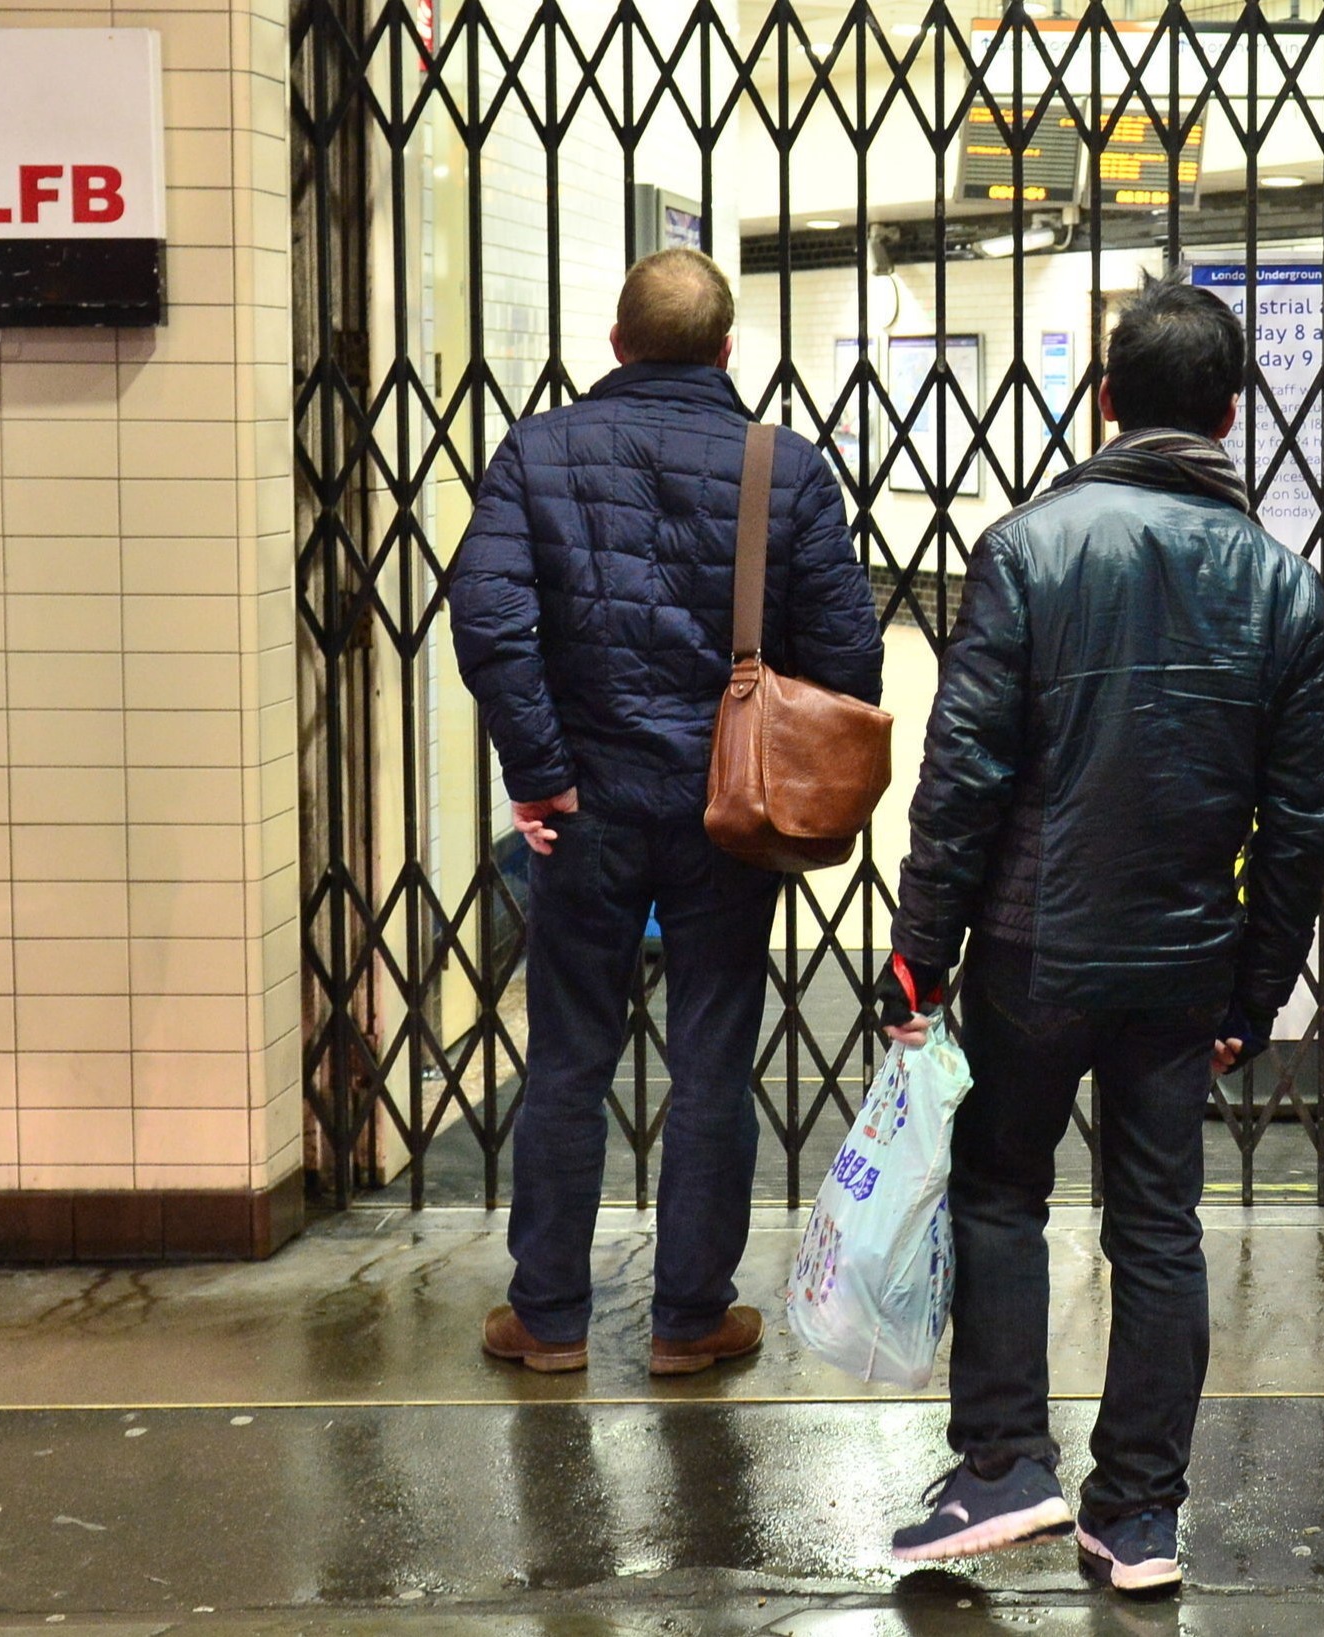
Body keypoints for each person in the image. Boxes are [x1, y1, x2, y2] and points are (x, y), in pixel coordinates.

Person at [877, 273, 1324, 1594]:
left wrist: (922, 946)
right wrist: (1254, 992)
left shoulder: (1027, 548)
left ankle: (1000, 1464)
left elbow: (961, 770)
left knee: (999, 1189)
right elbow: (1302, 818)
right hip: (1182, 960)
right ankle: (1135, 1513)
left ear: (1102, 400)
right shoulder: (1277, 583)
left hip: (1030, 948)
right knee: (1157, 1225)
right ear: (1232, 414)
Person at [448, 247, 885, 1376]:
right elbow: (847, 656)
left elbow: (491, 619)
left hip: (586, 813)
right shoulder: (781, 468)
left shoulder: (535, 451)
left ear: (616, 342)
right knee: (711, 1059)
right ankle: (690, 1316)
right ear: (728, 349)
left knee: (568, 1061)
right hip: (725, 820)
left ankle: (547, 1317)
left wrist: (540, 770)